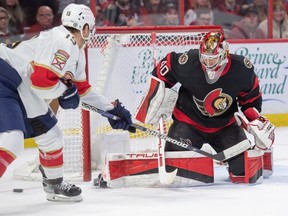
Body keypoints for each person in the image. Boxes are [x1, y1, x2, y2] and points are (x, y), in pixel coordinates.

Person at [0, 3, 134, 202]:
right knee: (13, 139)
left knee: (52, 136)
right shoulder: (63, 41)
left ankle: (54, 186)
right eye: (91, 26)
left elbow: (81, 90)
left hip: (21, 86)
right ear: (85, 28)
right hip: (6, 74)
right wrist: (64, 91)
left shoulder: (76, 52)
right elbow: (41, 83)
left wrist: (111, 111)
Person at [135, 31, 275, 184]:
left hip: (225, 126)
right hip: (188, 124)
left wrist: (256, 122)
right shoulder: (188, 62)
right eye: (205, 59)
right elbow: (166, 66)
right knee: (176, 170)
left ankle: (232, 161)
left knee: (244, 172)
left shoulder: (242, 69)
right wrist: (155, 97)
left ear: (224, 54)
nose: (208, 64)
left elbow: (250, 100)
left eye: (213, 59)